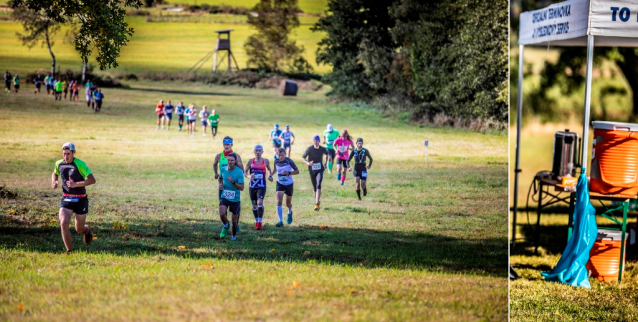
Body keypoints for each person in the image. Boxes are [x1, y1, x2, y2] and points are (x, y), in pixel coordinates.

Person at [51, 142, 96, 254]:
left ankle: (87, 230)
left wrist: (76, 184)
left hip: (80, 199)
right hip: (66, 198)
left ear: (73, 153)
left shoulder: (80, 164)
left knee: (79, 229)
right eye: (64, 154)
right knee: (63, 222)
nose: (66, 157)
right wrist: (54, 181)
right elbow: (55, 172)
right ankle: (69, 251)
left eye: (68, 154)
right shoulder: (59, 164)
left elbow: (92, 180)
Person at [213, 137, 244, 232]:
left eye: (228, 144)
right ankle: (226, 225)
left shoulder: (236, 156)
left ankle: (236, 224)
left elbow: (241, 169)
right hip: (223, 186)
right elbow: (214, 164)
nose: (226, 146)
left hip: (233, 186)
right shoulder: (219, 156)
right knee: (223, 205)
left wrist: (237, 179)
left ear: (231, 145)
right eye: (225, 144)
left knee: (235, 208)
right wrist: (216, 173)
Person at [244, 145, 273, 230]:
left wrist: (270, 175)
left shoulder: (266, 161)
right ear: (254, 152)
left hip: (262, 186)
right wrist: (249, 176)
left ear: (262, 152)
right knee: (254, 206)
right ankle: (256, 220)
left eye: (260, 151)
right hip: (252, 186)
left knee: (260, 202)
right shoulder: (250, 161)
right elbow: (244, 172)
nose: (258, 152)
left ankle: (260, 222)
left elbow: (269, 169)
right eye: (256, 150)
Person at [218, 153, 244, 241]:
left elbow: (242, 187)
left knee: (234, 220)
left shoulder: (239, 172)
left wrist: (233, 182)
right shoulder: (223, 169)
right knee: (222, 214)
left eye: (232, 160)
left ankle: (233, 237)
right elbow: (220, 177)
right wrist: (220, 184)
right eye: (228, 160)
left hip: (235, 199)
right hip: (224, 196)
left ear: (236, 161)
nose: (230, 162)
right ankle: (226, 225)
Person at [273, 148, 299, 227]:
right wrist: (270, 175)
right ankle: (280, 221)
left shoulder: (289, 161)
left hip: (289, 184)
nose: (280, 157)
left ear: (285, 155)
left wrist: (288, 173)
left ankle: (289, 211)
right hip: (280, 183)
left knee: (288, 203)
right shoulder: (276, 161)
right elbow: (275, 169)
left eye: (282, 155)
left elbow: (297, 171)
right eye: (279, 155)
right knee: (279, 201)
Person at [302, 135, 329, 211]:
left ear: (319, 141)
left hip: (320, 169)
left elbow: (327, 154)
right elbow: (302, 158)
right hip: (312, 170)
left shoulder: (322, 149)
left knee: (318, 184)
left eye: (317, 141)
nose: (315, 142)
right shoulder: (310, 149)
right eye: (314, 140)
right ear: (313, 141)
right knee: (314, 187)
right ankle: (317, 201)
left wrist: (325, 163)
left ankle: (316, 203)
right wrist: (308, 163)